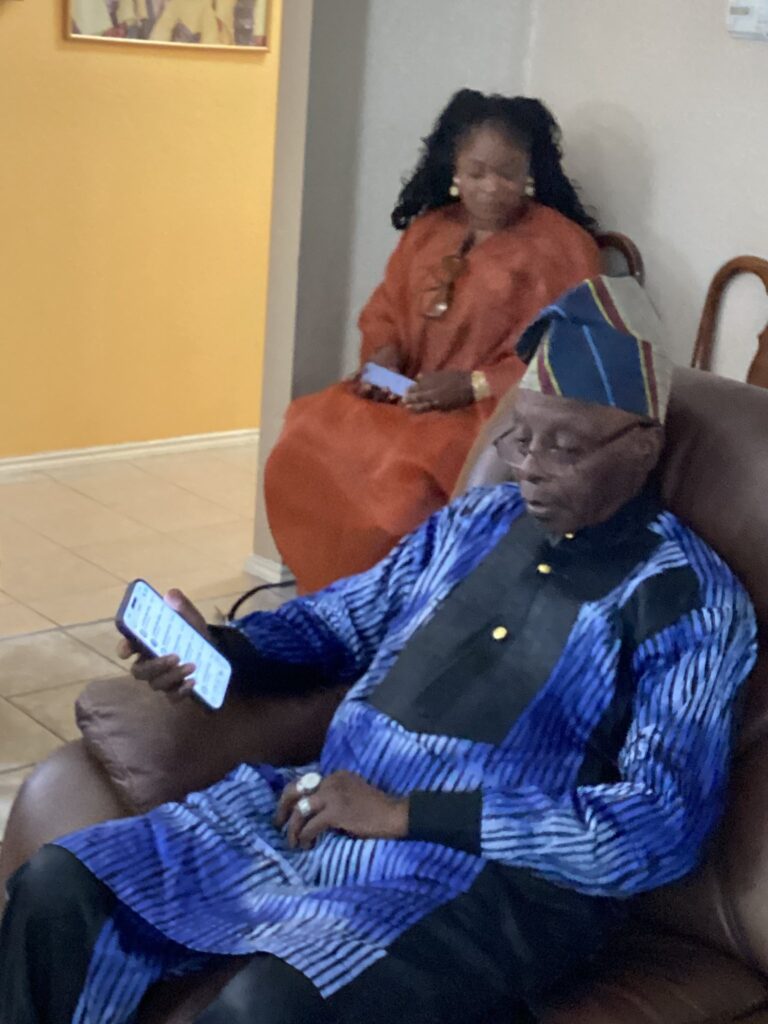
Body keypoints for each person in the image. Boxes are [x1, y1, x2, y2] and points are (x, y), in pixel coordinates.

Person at [0, 277, 756, 1024]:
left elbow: (659, 827)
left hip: (488, 880)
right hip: (318, 810)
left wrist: (404, 813)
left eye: (565, 446)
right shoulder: (476, 523)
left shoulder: (690, 601)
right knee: (59, 887)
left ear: (643, 446)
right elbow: (338, 623)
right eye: (522, 435)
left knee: (262, 1011)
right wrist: (218, 647)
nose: (528, 464)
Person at [264, 90, 601, 593]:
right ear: (454, 171)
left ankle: (390, 607)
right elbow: (384, 308)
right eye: (477, 172)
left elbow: (568, 350)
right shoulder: (429, 229)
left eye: (508, 173)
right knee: (306, 438)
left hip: (491, 414)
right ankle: (330, 601)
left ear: (531, 171)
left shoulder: (564, 246)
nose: (491, 187)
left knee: (398, 497)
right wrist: (384, 357)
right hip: (405, 398)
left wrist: (474, 384)